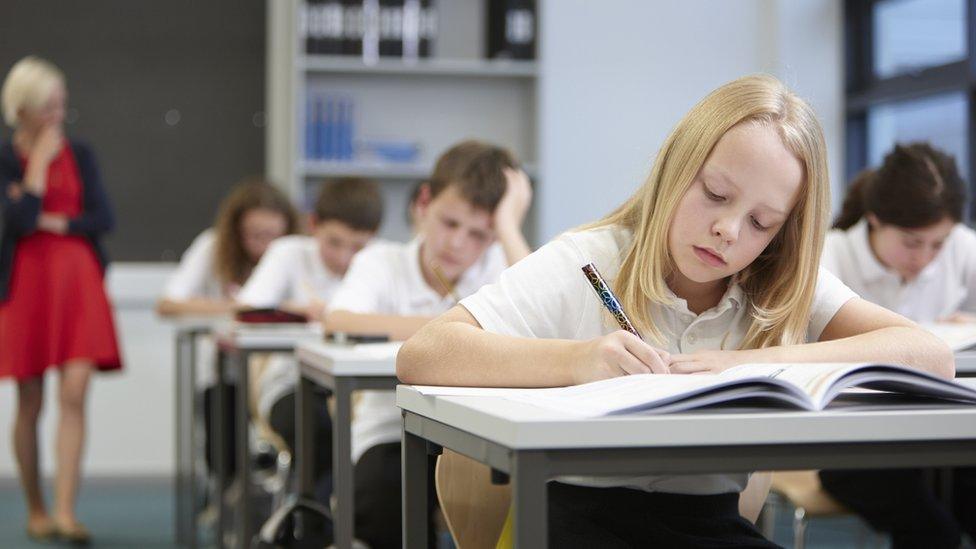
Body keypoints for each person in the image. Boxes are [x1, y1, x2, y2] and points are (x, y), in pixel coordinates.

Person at [397, 75, 954, 548]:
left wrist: (751, 365)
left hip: (708, 522)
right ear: (675, 169)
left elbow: (929, 358)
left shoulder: (779, 283)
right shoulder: (593, 259)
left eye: (762, 223)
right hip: (575, 518)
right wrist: (576, 361)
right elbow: (424, 354)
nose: (729, 231)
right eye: (715, 194)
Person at [324, 139, 533, 548]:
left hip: (482, 436)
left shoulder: (504, 267)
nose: (458, 244)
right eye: (450, 223)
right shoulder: (383, 262)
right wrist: (448, 330)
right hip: (391, 432)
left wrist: (510, 226)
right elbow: (338, 320)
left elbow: (545, 326)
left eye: (480, 234)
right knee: (385, 496)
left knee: (546, 500)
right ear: (423, 203)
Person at [818, 142, 976, 548]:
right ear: (874, 218)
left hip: (938, 434)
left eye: (936, 244)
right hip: (852, 442)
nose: (925, 257)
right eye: (911, 242)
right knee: (931, 532)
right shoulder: (829, 256)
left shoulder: (959, 245)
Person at [0, 55, 123, 543]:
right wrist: (40, 167)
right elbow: (19, 223)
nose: (57, 115)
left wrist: (57, 221)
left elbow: (103, 218)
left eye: (61, 105)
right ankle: (36, 508)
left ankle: (67, 510)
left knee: (75, 391)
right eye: (47, 106)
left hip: (78, 281)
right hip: (25, 285)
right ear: (23, 109)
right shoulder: (6, 158)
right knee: (30, 399)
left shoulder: (84, 154)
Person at [236, 177, 383, 494]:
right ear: (313, 224)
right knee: (319, 432)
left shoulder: (379, 263)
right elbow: (248, 309)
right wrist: (299, 310)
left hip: (359, 394)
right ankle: (318, 524)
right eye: (334, 242)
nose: (344, 258)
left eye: (357, 246)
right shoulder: (288, 253)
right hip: (289, 384)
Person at [156, 178, 300, 316]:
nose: (266, 246)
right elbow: (167, 304)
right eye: (256, 235)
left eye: (274, 237)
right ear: (236, 232)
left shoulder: (296, 253)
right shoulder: (212, 245)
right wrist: (243, 309)